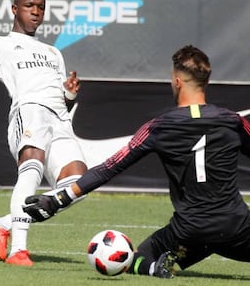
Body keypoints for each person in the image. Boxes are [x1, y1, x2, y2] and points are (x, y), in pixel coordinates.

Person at [23, 45, 250, 278]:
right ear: (206, 82)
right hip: (237, 227)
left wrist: (58, 199)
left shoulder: (158, 127)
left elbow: (109, 168)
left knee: (134, 259)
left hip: (189, 232)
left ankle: (155, 269)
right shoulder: (233, 122)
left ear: (178, 82)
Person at [0, 0, 87, 266]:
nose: (36, 12)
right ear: (15, 9)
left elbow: (63, 102)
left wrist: (70, 92)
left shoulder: (54, 53)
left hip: (59, 120)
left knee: (79, 185)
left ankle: (5, 222)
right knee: (32, 171)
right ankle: (19, 251)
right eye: (30, 6)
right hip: (29, 112)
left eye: (41, 7)